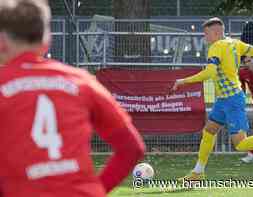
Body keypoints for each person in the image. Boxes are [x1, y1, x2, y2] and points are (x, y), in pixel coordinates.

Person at [0, 0, 145, 196]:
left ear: (2, 42)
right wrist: (97, 190)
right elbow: (132, 147)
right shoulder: (82, 81)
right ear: (47, 39)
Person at [172, 17, 253, 181]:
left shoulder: (216, 47)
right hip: (223, 100)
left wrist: (183, 81)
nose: (205, 37)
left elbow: (209, 73)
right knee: (209, 130)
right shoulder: (235, 43)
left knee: (240, 144)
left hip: (232, 100)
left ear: (216, 32)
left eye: (206, 33)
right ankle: (198, 172)